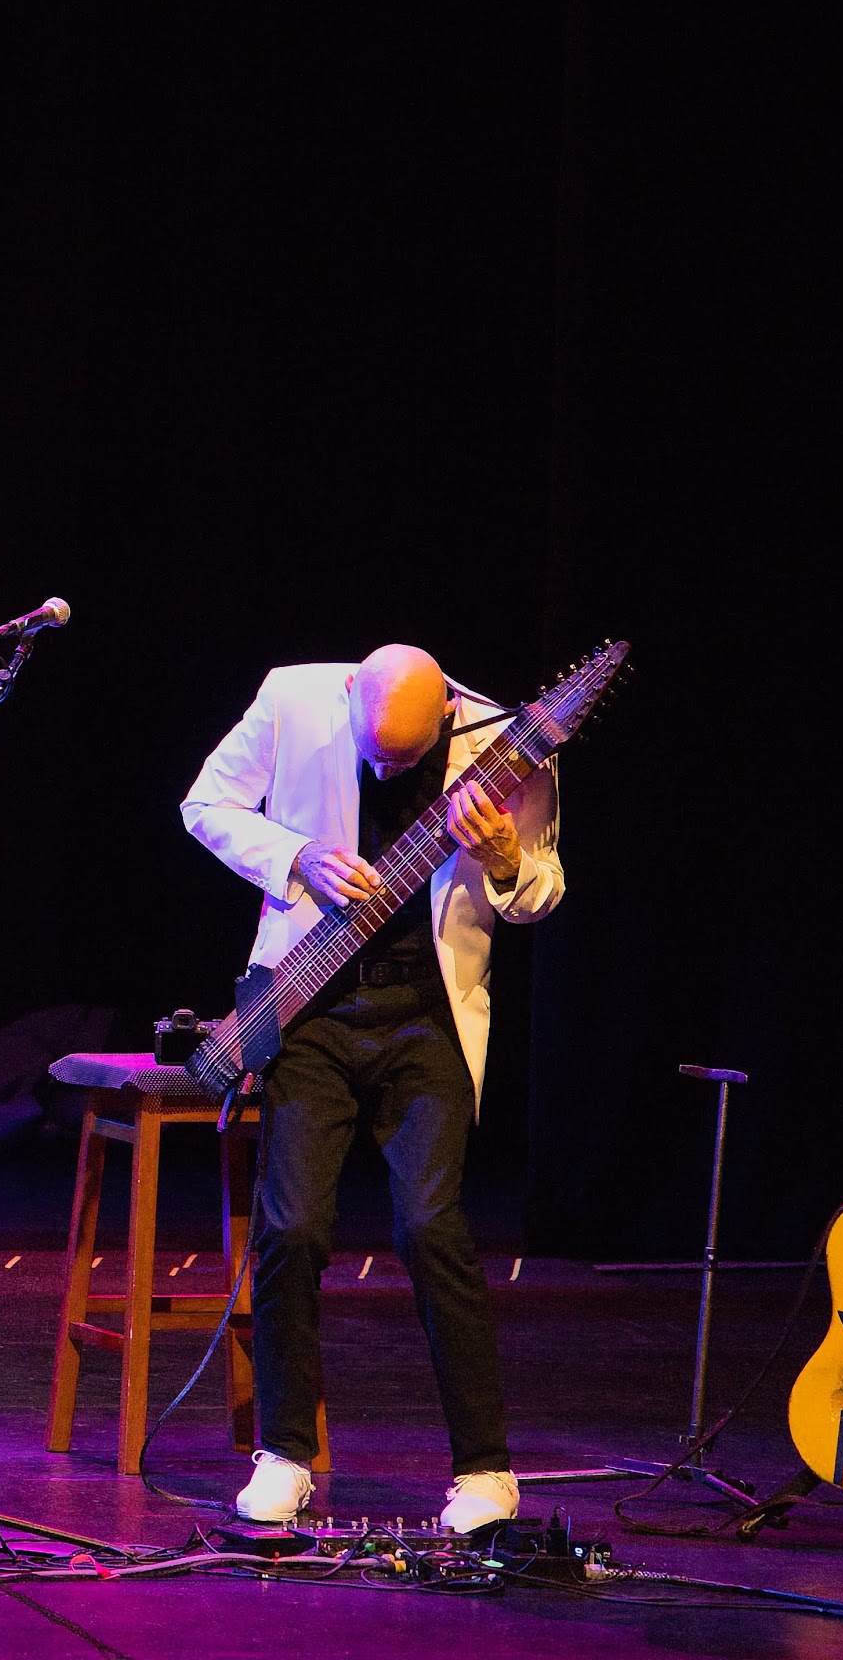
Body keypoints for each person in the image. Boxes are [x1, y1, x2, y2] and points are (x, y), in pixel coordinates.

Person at [180, 644, 563, 1533]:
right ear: (352, 694)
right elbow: (204, 805)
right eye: (376, 755)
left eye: (409, 757)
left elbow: (540, 893)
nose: (389, 770)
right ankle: (283, 1455)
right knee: (291, 1225)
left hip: (427, 1016)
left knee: (432, 1226)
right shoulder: (291, 696)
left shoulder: (508, 743)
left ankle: (487, 1473)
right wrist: (295, 856)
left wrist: (506, 855)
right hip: (311, 1003)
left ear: (447, 718)